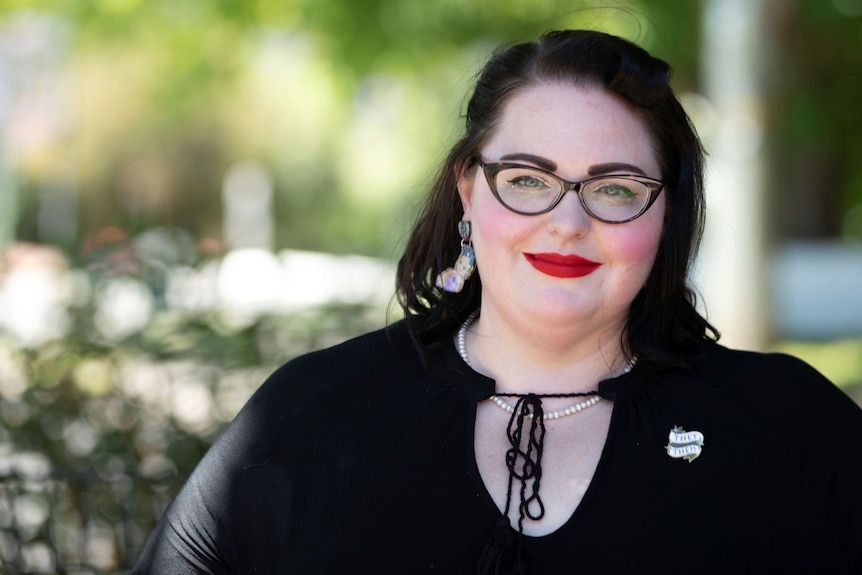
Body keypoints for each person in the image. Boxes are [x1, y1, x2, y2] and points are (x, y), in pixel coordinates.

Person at [131, 30, 862, 574]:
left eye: (614, 188)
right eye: (526, 177)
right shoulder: (310, 413)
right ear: (467, 191)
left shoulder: (787, 424)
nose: (567, 222)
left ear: (666, 215)